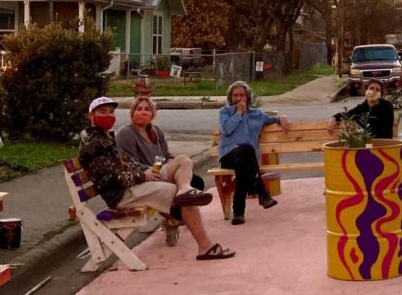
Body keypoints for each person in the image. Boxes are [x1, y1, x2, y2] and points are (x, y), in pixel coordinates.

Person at [79, 97, 234, 261]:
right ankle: (205, 247)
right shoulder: (94, 145)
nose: (108, 115)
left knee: (183, 165)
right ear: (91, 115)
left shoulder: (107, 138)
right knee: (184, 198)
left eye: (111, 112)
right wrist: (143, 175)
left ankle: (185, 190)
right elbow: (108, 180)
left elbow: (132, 163)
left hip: (137, 182)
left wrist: (148, 171)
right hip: (122, 195)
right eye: (102, 112)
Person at [116, 95, 205, 247]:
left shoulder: (156, 131)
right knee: (184, 163)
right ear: (132, 112)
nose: (142, 112)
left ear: (153, 114)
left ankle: (176, 213)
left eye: (147, 109)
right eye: (138, 109)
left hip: (159, 171)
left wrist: (170, 161)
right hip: (144, 177)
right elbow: (128, 163)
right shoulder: (126, 133)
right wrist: (149, 170)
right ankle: (176, 215)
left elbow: (164, 155)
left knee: (195, 180)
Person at [218, 81, 290, 226]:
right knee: (247, 149)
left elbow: (274, 119)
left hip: (246, 161)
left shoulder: (257, 115)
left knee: (242, 167)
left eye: (241, 95)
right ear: (231, 98)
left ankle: (238, 214)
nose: (238, 98)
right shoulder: (224, 112)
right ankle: (261, 192)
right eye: (235, 95)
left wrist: (282, 118)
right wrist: (238, 113)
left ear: (248, 97)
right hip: (228, 155)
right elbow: (226, 129)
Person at [329, 78, 394, 139]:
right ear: (366, 91)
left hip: (383, 144)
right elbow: (347, 114)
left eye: (377, 90)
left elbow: (384, 130)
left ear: (381, 94)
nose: (374, 91)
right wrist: (334, 118)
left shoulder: (387, 106)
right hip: (365, 144)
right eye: (371, 88)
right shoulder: (362, 107)